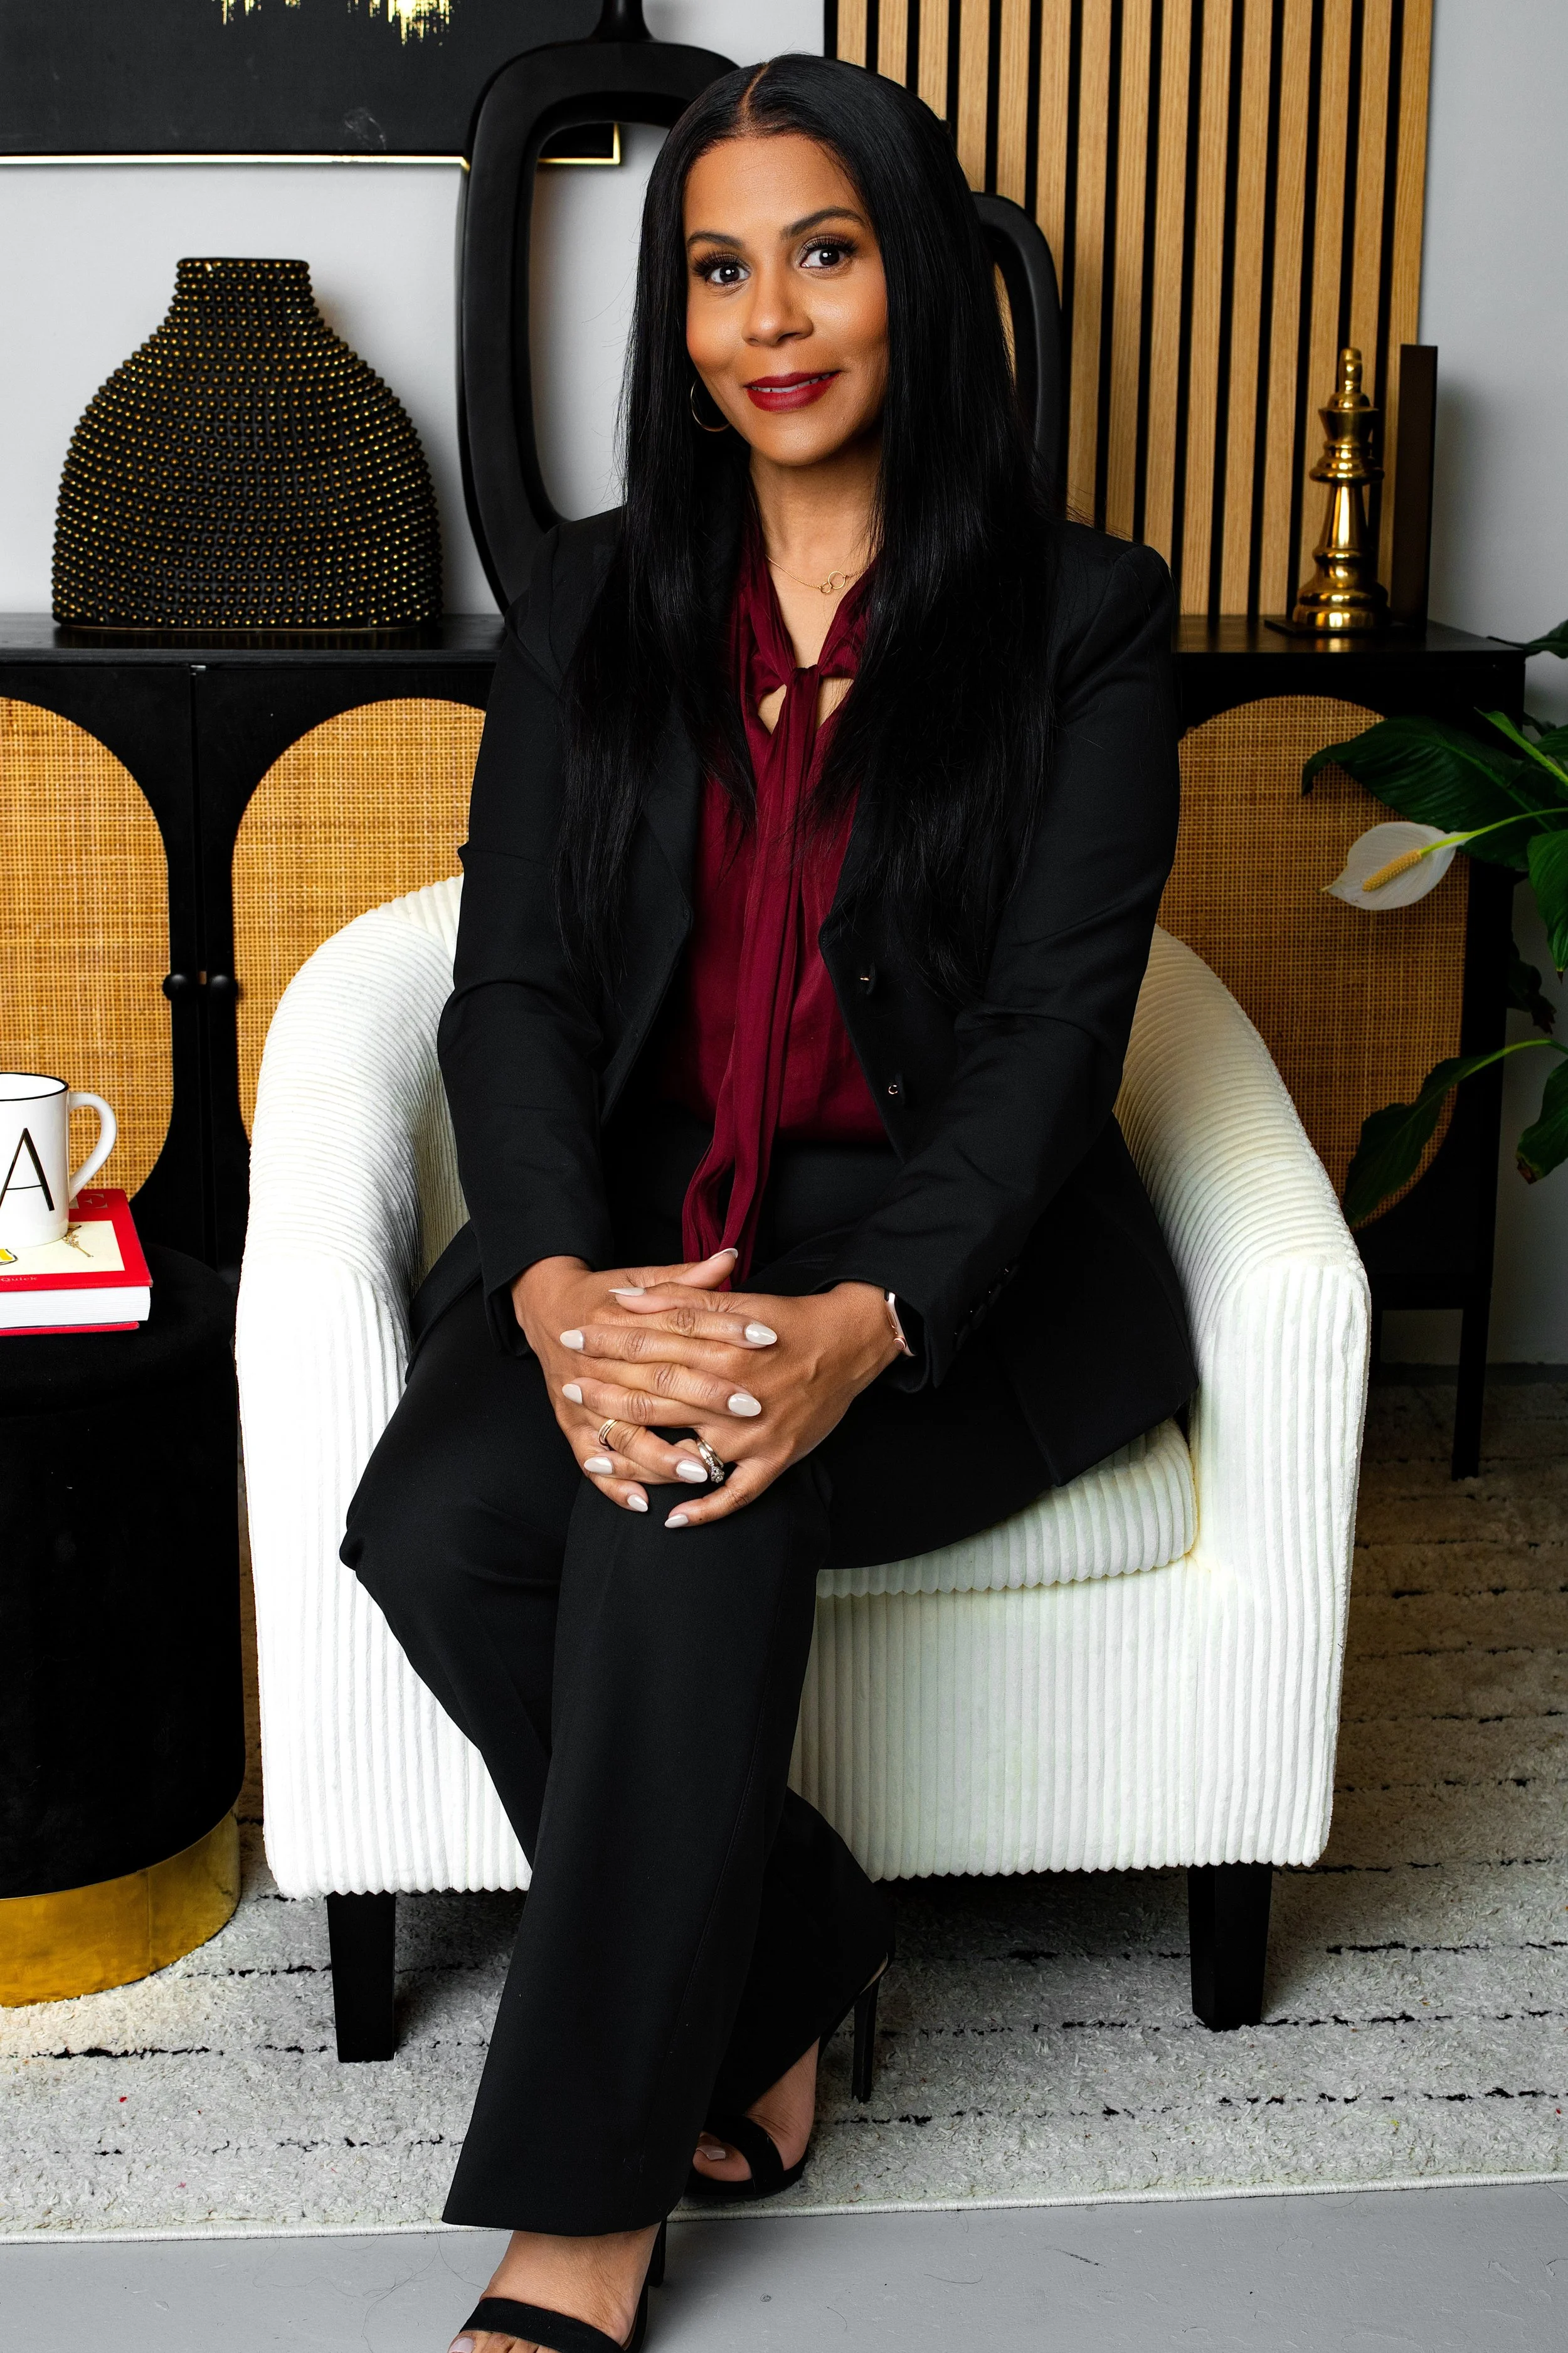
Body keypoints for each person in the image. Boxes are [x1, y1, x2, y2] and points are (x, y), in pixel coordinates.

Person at [341, 50, 1195, 2353]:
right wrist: (541, 1284)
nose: (772, 316)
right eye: (718, 270)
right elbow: (506, 983)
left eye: (822, 250)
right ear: (676, 317)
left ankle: (584, 2221)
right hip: (630, 1243)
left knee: (675, 1495)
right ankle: (793, 1943)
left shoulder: (1083, 619)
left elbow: (1045, 1048)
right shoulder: (596, 605)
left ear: (913, 275)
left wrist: (861, 1324)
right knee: (426, 1522)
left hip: (948, 1279)